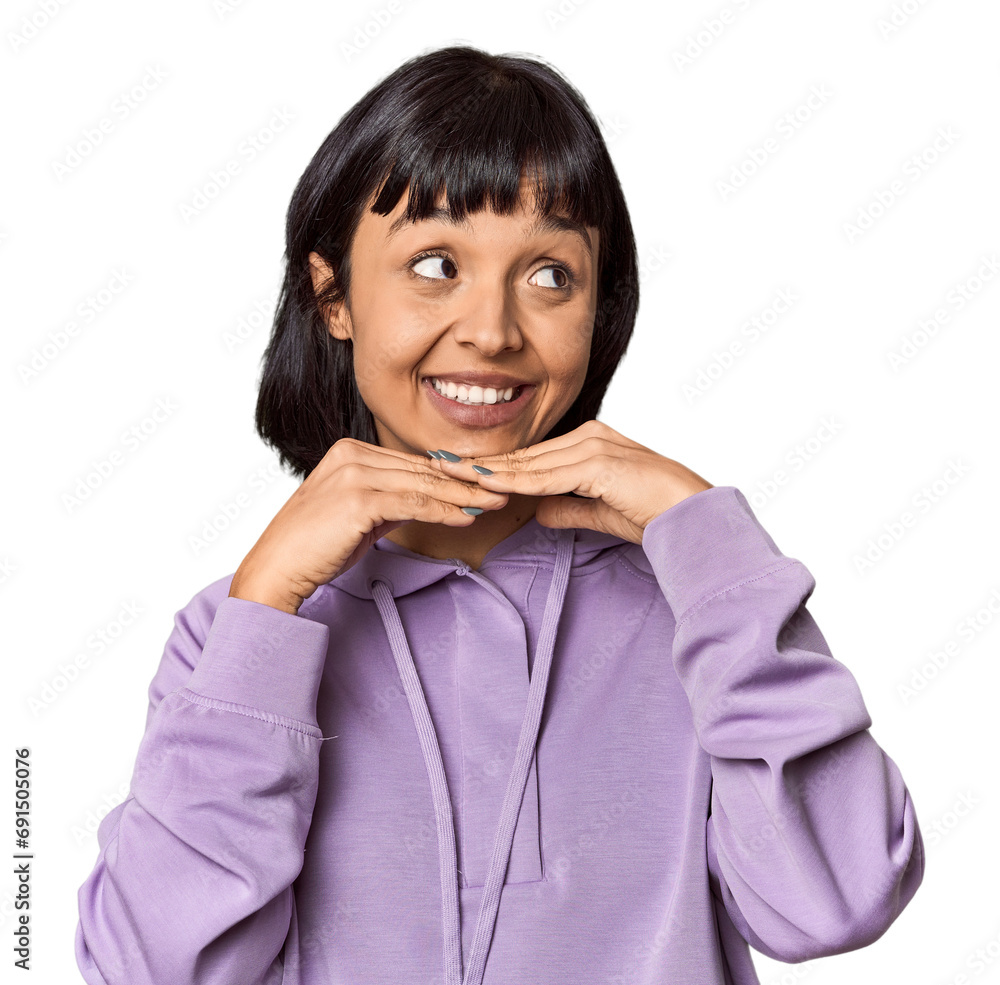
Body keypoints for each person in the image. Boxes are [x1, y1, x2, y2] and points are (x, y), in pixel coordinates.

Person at [74, 44, 924, 985]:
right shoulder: (239, 633)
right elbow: (154, 970)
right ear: (333, 295)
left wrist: (705, 535)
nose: (492, 330)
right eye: (436, 264)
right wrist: (266, 602)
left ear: (599, 308)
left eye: (550, 275)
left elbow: (838, 900)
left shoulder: (698, 616)